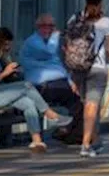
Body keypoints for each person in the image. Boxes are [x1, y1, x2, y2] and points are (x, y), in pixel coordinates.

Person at [0, 27, 72, 153]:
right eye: (6, 44)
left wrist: (12, 72)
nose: (8, 48)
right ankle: (49, 114)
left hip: (1, 93)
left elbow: (4, 79)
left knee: (28, 104)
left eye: (9, 45)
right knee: (26, 85)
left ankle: (36, 141)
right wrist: (4, 73)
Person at [70, 0, 109, 157]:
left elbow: (68, 46)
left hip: (78, 69)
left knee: (87, 106)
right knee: (92, 107)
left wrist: (70, 72)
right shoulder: (105, 22)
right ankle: (86, 144)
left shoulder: (74, 18)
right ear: (101, 2)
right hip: (97, 68)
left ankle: (95, 140)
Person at [20, 13, 81, 143]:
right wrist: (55, 36)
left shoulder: (48, 43)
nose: (48, 29)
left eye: (51, 26)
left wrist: (71, 82)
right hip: (41, 86)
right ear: (37, 27)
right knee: (76, 98)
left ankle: (70, 133)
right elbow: (49, 51)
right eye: (44, 26)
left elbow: (59, 67)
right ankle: (66, 131)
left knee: (80, 98)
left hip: (57, 84)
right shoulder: (32, 42)